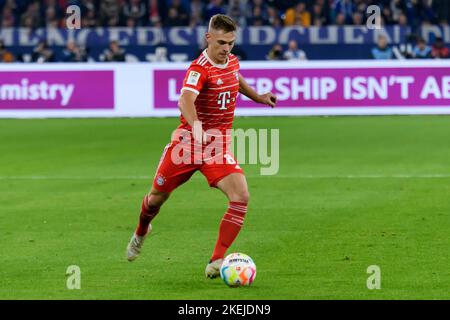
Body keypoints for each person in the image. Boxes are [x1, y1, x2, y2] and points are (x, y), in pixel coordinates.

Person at [126, 14, 277, 279]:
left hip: (216, 147)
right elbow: (185, 100)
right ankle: (141, 230)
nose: (226, 48)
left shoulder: (231, 61)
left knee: (241, 196)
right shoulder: (199, 69)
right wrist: (196, 125)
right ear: (208, 38)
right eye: (221, 42)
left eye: (230, 43)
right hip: (187, 145)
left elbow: (236, 78)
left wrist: (259, 97)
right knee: (155, 199)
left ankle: (217, 260)